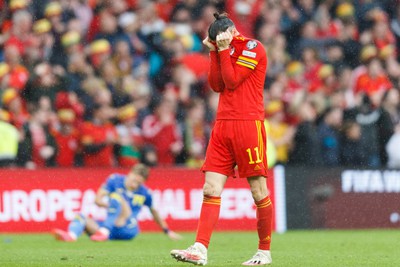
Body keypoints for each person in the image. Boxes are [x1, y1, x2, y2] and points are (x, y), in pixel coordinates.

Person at [170, 12, 273, 266]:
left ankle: (264, 251)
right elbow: (216, 84)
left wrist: (224, 50)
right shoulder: (220, 49)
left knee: (258, 191)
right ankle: (200, 248)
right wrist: (214, 52)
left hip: (248, 124)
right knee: (210, 188)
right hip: (222, 125)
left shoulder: (253, 47)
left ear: (231, 32)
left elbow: (232, 80)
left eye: (219, 39)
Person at [53, 163, 182, 242]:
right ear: (130, 173)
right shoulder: (114, 180)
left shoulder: (145, 193)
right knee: (81, 216)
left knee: (116, 197)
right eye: (134, 180)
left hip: (128, 228)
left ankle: (104, 232)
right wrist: (113, 206)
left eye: (139, 183)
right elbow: (97, 200)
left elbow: (154, 212)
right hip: (110, 224)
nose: (134, 184)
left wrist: (167, 230)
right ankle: (71, 236)